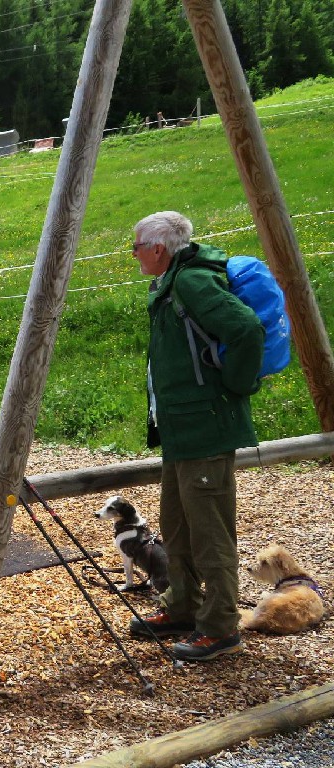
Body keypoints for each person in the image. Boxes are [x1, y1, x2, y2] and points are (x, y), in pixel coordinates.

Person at [127, 211, 264, 662]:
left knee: (210, 534)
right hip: (182, 431)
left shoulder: (191, 283)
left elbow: (245, 329)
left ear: (159, 249)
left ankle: (220, 626)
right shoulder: (174, 281)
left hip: (205, 428)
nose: (134, 254)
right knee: (178, 526)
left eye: (137, 246)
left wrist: (237, 387)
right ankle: (183, 605)